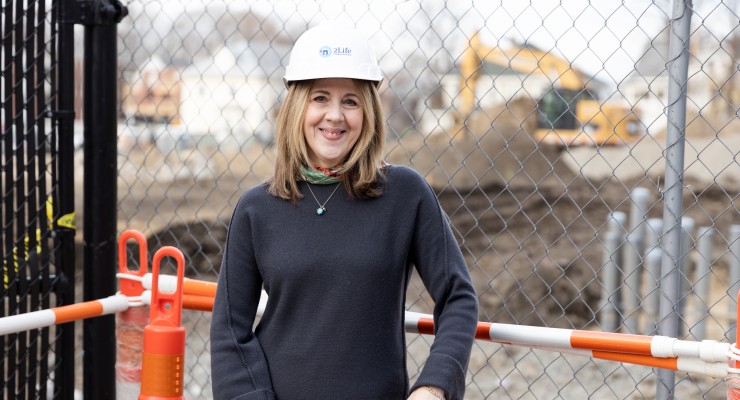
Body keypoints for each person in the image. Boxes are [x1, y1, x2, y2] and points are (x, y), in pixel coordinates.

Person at [210, 21, 478, 400]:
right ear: (296, 108)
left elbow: (458, 298)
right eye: (320, 98)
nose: (334, 115)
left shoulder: (405, 195)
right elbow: (229, 332)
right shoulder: (257, 208)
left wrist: (434, 387)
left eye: (349, 101)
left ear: (367, 112)